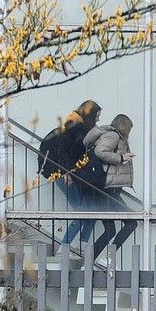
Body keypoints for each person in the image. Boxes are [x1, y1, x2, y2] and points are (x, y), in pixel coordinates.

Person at [39, 100, 101, 247]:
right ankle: (64, 248)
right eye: (97, 116)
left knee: (91, 212)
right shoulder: (75, 127)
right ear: (90, 115)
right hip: (64, 174)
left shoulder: (75, 125)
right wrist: (66, 172)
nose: (98, 119)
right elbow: (64, 150)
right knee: (81, 213)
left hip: (71, 174)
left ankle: (83, 246)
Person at [84, 113, 137, 259]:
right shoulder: (113, 136)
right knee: (131, 223)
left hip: (104, 190)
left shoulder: (110, 135)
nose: (129, 133)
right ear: (124, 126)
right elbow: (100, 152)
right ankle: (108, 258)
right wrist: (121, 157)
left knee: (109, 230)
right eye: (129, 129)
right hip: (108, 191)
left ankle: (89, 261)